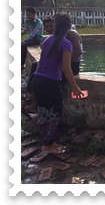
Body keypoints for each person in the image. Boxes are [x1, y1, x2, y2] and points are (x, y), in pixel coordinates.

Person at [31, 12, 84, 154]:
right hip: (51, 83)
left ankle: (50, 142)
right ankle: (48, 146)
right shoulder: (66, 43)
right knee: (54, 112)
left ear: (56, 26)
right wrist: (75, 88)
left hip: (38, 80)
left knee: (44, 111)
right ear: (69, 26)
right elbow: (66, 68)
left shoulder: (48, 39)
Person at [24, 15, 83, 114]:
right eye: (47, 26)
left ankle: (34, 102)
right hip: (60, 65)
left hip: (73, 64)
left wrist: (60, 62)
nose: (50, 28)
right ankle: (33, 98)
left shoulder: (71, 35)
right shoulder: (52, 38)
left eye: (53, 25)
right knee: (36, 66)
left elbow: (78, 52)